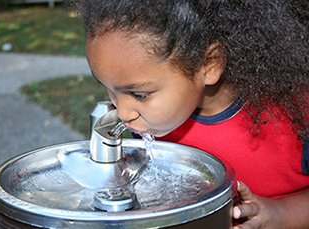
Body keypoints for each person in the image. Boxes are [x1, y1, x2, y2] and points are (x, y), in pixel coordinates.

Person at [76, 0, 309, 228]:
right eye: (110, 90)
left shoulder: (296, 115)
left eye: (139, 94)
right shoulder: (152, 124)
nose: (123, 113)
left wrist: (282, 214)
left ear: (209, 64)